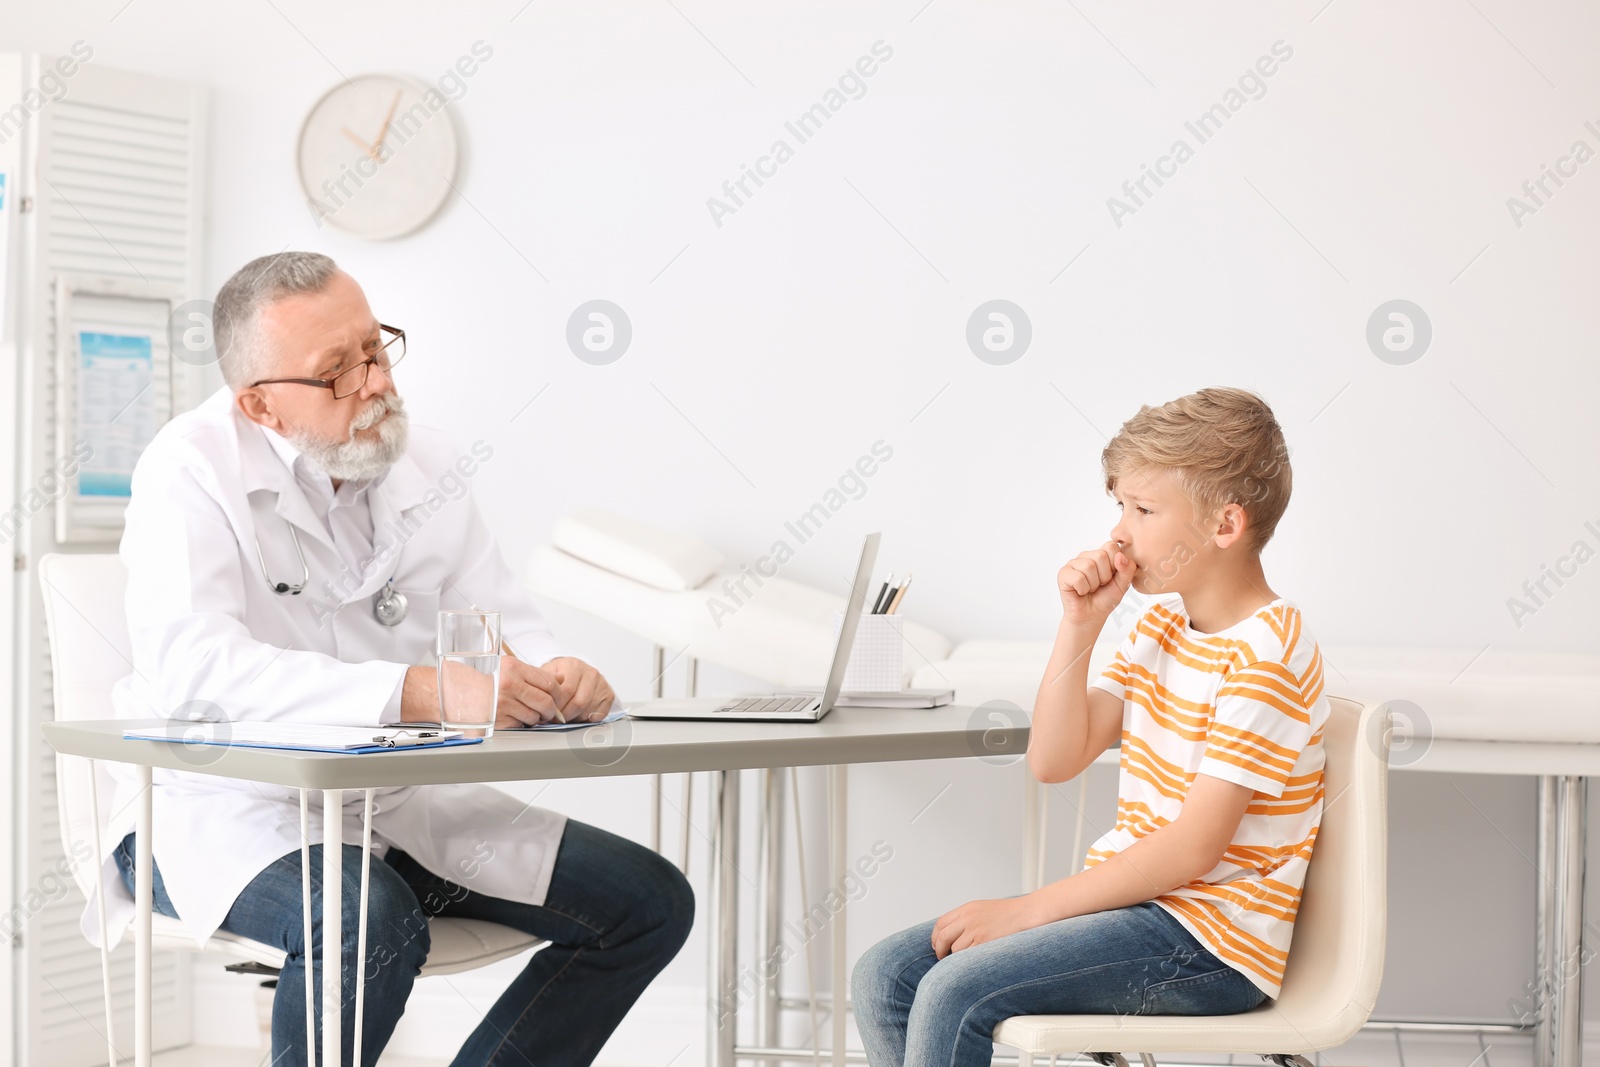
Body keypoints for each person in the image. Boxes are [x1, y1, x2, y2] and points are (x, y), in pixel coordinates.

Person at [95, 251, 694, 1066]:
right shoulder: (189, 468)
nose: (375, 383)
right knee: (364, 920)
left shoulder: (430, 465)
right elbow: (193, 670)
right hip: (216, 804)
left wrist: (561, 675)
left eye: (376, 350)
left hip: (387, 801)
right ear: (260, 404)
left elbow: (504, 622)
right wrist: (412, 688)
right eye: (335, 372)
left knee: (647, 901)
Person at [852, 387, 1329, 1066]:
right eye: (1120, 507)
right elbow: (1053, 757)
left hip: (1209, 946)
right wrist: (1081, 622)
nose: (1119, 533)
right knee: (886, 976)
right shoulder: (1163, 626)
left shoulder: (1269, 652)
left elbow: (1194, 849)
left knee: (953, 990)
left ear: (1224, 525)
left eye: (1143, 509)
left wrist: (1028, 909)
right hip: (1143, 914)